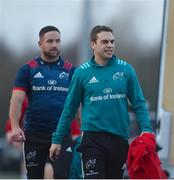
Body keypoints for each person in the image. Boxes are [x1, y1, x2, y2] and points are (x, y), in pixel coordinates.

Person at [49, 25, 153, 179]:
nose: (110, 45)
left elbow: (138, 102)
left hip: (119, 139)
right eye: (105, 42)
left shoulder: (126, 70)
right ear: (93, 44)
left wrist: (146, 129)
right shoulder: (81, 73)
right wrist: (57, 139)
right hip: (92, 140)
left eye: (112, 41)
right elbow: (69, 109)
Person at [9, 25, 76, 179]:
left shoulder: (71, 70)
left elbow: (78, 103)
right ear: (40, 44)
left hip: (61, 134)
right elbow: (17, 99)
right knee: (35, 176)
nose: (54, 45)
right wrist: (14, 126)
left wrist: (85, 128)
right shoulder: (27, 69)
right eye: (50, 41)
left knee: (61, 175)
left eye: (58, 41)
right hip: (34, 134)